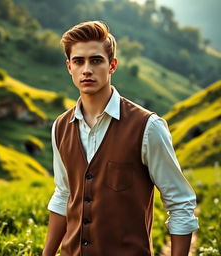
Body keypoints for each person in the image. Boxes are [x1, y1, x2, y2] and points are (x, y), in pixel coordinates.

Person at [42, 21, 199, 256]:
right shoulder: (60, 127)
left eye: (96, 60)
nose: (86, 69)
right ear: (69, 67)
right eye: (78, 61)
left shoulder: (147, 127)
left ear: (112, 65)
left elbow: (181, 203)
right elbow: (63, 194)